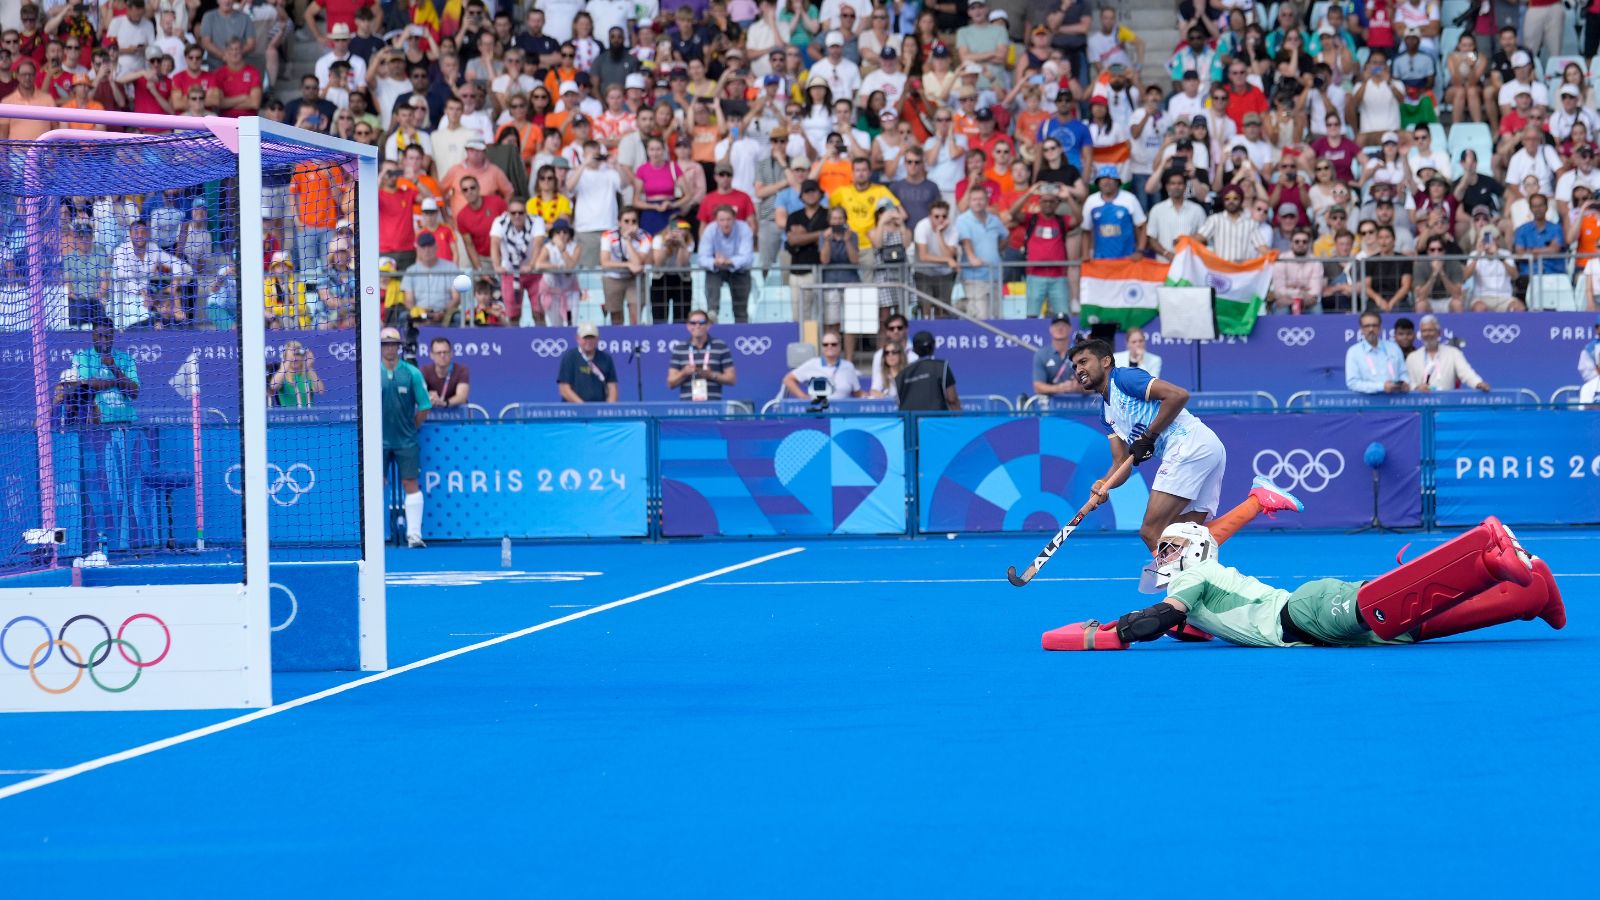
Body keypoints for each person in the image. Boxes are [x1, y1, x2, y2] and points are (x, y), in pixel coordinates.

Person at [1043, 516, 1565, 651]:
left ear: (1193, 550)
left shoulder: (1196, 574)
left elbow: (1164, 619)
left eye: (1169, 548)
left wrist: (1122, 631)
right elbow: (1187, 627)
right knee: (1415, 626)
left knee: (1391, 606)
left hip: (1302, 612)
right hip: (1309, 628)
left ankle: (1486, 552)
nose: (1162, 557)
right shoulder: (1198, 584)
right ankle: (1530, 594)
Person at [1070, 337, 1291, 551]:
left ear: (1106, 361)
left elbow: (1178, 395)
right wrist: (1103, 484)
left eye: (1083, 362)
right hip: (1203, 447)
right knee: (1188, 536)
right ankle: (1258, 501)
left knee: (1152, 531)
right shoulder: (1106, 414)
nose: (1078, 370)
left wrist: (1148, 436)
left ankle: (1183, 583)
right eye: (1074, 366)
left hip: (1189, 444)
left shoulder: (1123, 378)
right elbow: (1120, 462)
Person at [380, 326, 431, 549]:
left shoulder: (412, 373)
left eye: (393, 344)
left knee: (411, 483)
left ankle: (414, 534)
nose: (389, 348)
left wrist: (411, 426)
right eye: (384, 344)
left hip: (406, 440)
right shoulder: (370, 372)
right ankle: (376, 535)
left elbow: (424, 406)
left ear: (399, 347)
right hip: (376, 441)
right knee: (375, 485)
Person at [698, 204, 756, 323]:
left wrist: (730, 261)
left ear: (734, 219)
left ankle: (742, 330)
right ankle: (712, 319)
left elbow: (748, 256)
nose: (725, 223)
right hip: (716, 268)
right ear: (716, 220)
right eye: (722, 220)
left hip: (739, 270)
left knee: (741, 309)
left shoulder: (744, 228)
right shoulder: (710, 229)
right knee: (712, 309)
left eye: (729, 219)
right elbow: (702, 258)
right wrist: (715, 262)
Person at [1406, 315, 1490, 393]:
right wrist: (1417, 387)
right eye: (1424, 331)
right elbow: (1408, 382)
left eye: (1430, 330)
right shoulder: (1412, 357)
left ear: (1439, 333)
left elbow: (1466, 373)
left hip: (1446, 405)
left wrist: (1478, 383)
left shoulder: (1453, 353)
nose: (1427, 334)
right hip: (1420, 406)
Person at [668, 310, 737, 401]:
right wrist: (684, 373)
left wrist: (711, 375)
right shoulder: (680, 348)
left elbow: (732, 379)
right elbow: (670, 383)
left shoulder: (721, 347)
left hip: (713, 407)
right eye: (693, 323)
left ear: (708, 325)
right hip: (687, 408)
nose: (697, 326)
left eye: (701, 322)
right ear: (688, 326)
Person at [1344, 309, 1409, 394]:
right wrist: (1382, 387)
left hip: (1394, 401)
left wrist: (1404, 383)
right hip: (1368, 404)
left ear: (1380, 328)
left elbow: (1403, 373)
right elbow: (1353, 383)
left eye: (1374, 325)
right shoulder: (1354, 352)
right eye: (1367, 326)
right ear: (1361, 329)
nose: (1371, 329)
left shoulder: (1394, 348)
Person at [783, 332, 862, 401]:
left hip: (842, 414)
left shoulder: (848, 366)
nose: (829, 347)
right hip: (818, 413)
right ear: (822, 347)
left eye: (833, 344)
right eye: (825, 344)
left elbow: (858, 393)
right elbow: (788, 379)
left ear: (839, 347)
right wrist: (803, 397)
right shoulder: (812, 364)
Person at [895, 330, 960, 412]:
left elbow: (899, 402)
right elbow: (952, 399)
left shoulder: (902, 374)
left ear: (914, 350)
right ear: (933, 346)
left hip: (911, 422)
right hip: (935, 422)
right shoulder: (942, 367)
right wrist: (959, 420)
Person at [557, 322, 619, 404]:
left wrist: (609, 410)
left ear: (598, 339)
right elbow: (564, 389)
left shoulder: (606, 358)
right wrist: (583, 407)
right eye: (585, 338)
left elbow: (612, 387)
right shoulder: (569, 357)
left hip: (599, 410)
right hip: (574, 410)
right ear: (578, 339)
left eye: (592, 338)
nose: (589, 341)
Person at [1031, 312, 1085, 399]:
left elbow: (1093, 385)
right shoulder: (1041, 354)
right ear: (1050, 329)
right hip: (1052, 408)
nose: (1060, 328)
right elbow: (1038, 386)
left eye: (1064, 325)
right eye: (1056, 325)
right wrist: (1060, 388)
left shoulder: (1081, 353)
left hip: (1080, 405)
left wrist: (1079, 388)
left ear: (1070, 328)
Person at [271, 340, 325, 408]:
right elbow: (273, 386)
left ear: (303, 357)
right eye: (292, 355)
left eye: (298, 354)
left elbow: (320, 391)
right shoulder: (283, 376)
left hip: (309, 416)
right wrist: (284, 366)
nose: (295, 358)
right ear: (286, 357)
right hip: (289, 417)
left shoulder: (308, 376)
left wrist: (310, 368)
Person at [422, 337, 470, 410]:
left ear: (451, 354)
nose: (442, 356)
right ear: (431, 355)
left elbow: (462, 397)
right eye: (438, 353)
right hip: (431, 415)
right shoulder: (424, 371)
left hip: (457, 415)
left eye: (445, 352)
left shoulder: (461, 370)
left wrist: (444, 403)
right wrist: (428, 396)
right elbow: (419, 393)